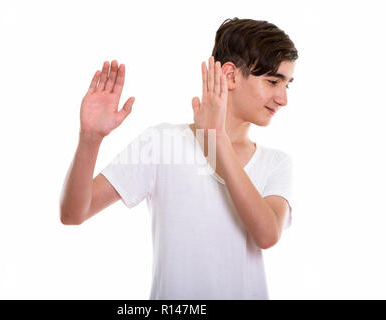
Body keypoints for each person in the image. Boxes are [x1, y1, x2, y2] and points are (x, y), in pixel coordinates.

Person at [59, 17, 298, 300]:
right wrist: (90, 139)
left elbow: (267, 235)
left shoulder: (276, 162)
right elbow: (73, 214)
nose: (283, 99)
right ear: (231, 75)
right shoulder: (162, 142)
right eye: (273, 82)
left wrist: (216, 139)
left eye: (288, 85)